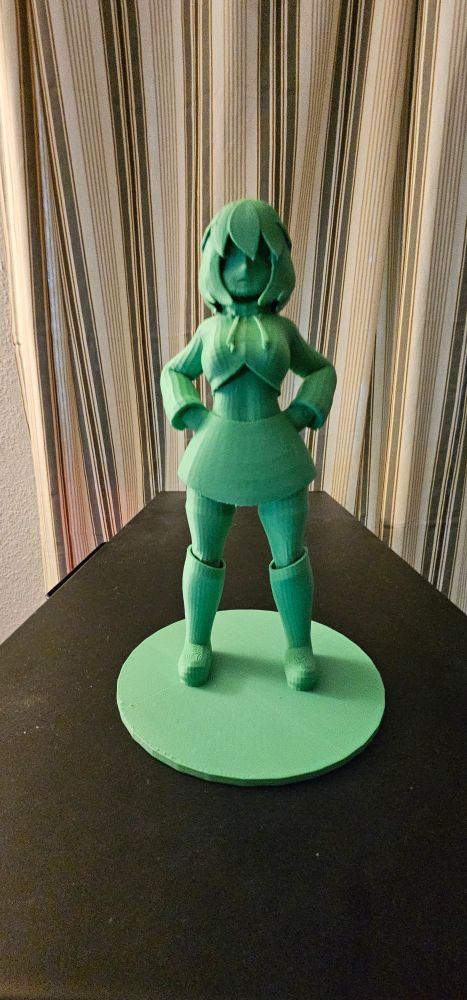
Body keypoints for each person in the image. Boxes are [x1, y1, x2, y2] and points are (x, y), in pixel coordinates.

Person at [161, 199, 336, 690]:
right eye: (232, 258)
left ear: (278, 264)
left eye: (258, 258)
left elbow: (321, 369)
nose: (243, 269)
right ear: (213, 265)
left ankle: (298, 646)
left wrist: (302, 412)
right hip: (214, 450)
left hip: (277, 450)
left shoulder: (282, 330)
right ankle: (197, 640)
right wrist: (192, 412)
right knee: (204, 550)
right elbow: (174, 371)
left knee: (290, 553)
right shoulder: (208, 331)